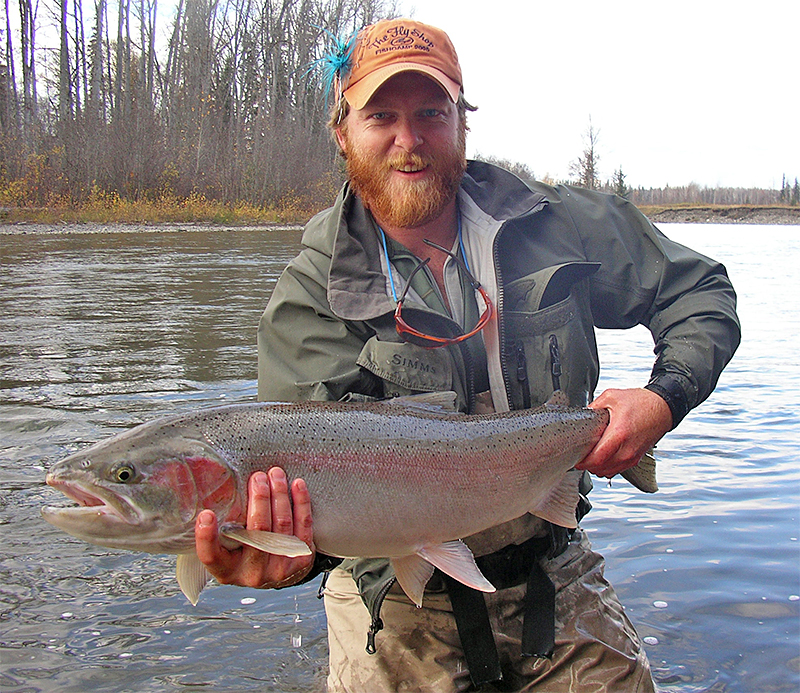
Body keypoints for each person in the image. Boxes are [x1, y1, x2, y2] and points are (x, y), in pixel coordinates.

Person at [194, 17, 740, 692]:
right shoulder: (313, 297)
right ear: (343, 133)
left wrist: (664, 397)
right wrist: (284, 558)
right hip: (391, 597)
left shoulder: (555, 224)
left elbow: (699, 290)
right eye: (381, 116)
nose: (409, 139)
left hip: (553, 567)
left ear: (462, 121)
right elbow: (307, 510)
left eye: (431, 112)